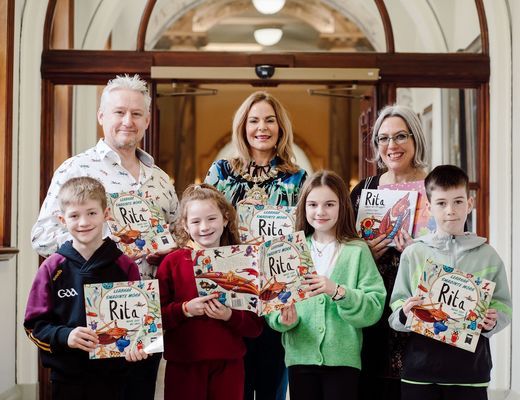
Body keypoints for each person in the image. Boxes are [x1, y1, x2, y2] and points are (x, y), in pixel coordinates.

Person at [31, 74, 178, 399]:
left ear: (148, 120)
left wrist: (165, 251)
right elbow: (41, 236)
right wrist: (104, 243)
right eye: (119, 112)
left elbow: (177, 235)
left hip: (144, 313)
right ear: (102, 117)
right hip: (90, 310)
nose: (128, 121)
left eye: (137, 114)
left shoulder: (161, 180)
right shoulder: (75, 169)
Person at [205, 91, 307, 400]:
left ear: (280, 128)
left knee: (271, 382)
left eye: (269, 120)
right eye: (253, 120)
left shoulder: (297, 178)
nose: (261, 127)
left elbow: (307, 234)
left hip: (276, 289)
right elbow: (201, 220)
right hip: (230, 288)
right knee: (231, 385)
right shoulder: (221, 172)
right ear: (242, 127)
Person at [388, 165, 512, 400]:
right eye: (441, 203)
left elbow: (504, 307)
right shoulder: (414, 254)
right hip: (420, 373)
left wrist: (492, 321)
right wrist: (405, 312)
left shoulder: (489, 256)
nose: (450, 210)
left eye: (458, 201)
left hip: (471, 373)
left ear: (470, 203)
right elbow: (396, 312)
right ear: (429, 207)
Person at [24, 177, 148, 400]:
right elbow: (34, 326)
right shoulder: (52, 268)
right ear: (62, 219)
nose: (83, 222)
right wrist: (65, 335)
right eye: (74, 215)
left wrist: (138, 345)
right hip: (67, 377)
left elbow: (139, 323)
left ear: (106, 214)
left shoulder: (125, 266)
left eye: (92, 213)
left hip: (116, 377)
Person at [266, 170, 386, 400]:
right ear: (304, 208)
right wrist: (281, 320)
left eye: (329, 204)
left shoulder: (357, 250)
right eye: (312, 204)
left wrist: (339, 292)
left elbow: (374, 305)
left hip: (344, 360)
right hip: (300, 356)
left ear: (342, 206)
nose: (320, 212)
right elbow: (272, 302)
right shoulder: (289, 250)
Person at [350, 104, 429, 400]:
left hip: (417, 301)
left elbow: (454, 247)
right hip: (373, 302)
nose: (391, 146)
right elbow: (340, 247)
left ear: (415, 138)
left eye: (400, 136)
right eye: (383, 139)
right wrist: (362, 251)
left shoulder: (434, 187)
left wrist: (419, 253)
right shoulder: (363, 191)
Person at [156, 183, 263, 400]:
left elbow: (255, 327)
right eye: (195, 221)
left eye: (212, 218)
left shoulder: (243, 263)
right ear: (185, 226)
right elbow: (155, 319)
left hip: (229, 364)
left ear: (225, 219)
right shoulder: (172, 263)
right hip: (184, 363)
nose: (204, 227)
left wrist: (229, 315)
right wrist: (184, 309)